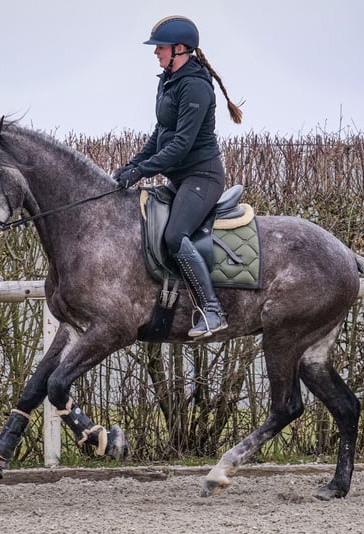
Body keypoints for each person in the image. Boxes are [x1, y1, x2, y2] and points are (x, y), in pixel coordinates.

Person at [114, 15, 243, 339]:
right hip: (179, 178)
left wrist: (143, 171)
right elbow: (161, 133)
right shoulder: (168, 80)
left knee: (175, 236)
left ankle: (212, 310)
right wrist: (132, 165)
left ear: (180, 49)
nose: (156, 53)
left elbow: (182, 145)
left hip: (202, 175)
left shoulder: (196, 85)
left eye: (161, 48)